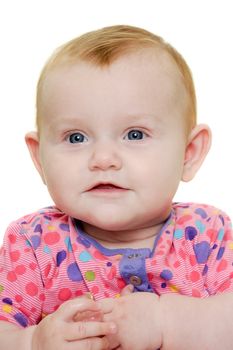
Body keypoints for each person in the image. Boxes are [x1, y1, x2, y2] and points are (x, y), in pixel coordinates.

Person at [0, 24, 233, 350]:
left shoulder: (209, 234)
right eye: (75, 137)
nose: (104, 159)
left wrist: (164, 322)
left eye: (135, 134)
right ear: (40, 159)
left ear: (189, 153)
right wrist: (31, 342)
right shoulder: (32, 244)